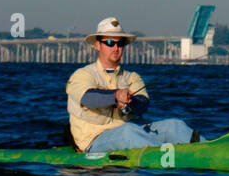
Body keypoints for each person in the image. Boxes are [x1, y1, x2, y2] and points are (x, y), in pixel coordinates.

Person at [66, 17, 201, 157]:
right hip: (94, 141)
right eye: (110, 43)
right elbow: (88, 97)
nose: (116, 48)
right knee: (128, 132)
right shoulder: (82, 75)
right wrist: (115, 96)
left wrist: (130, 102)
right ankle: (179, 156)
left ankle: (210, 148)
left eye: (120, 43)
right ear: (97, 45)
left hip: (130, 132)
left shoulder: (132, 77)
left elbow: (143, 103)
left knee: (174, 125)